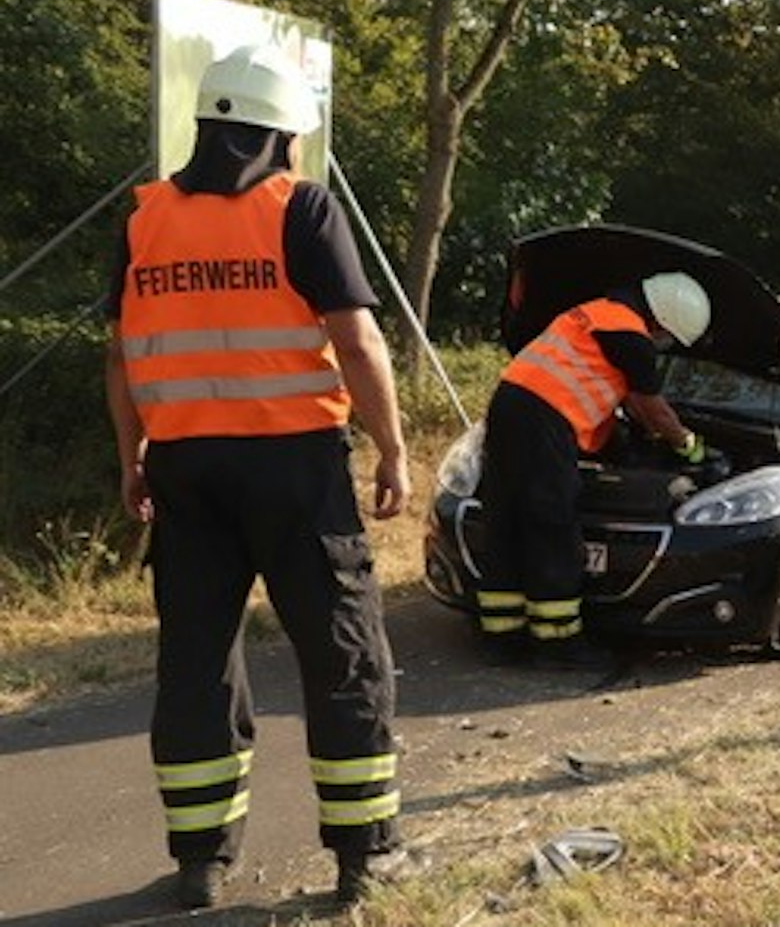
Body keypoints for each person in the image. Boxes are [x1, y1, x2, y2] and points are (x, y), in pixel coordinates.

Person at [102, 45, 408, 909]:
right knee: (342, 651)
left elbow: (121, 357)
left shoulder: (142, 219)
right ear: (277, 135)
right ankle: (367, 855)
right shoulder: (300, 208)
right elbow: (356, 341)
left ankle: (200, 860)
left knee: (195, 658)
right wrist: (392, 447)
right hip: (294, 467)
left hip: (184, 469)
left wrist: (131, 459)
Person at [475, 273, 711, 668]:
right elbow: (650, 407)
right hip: (544, 422)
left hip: (509, 405)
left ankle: (502, 636)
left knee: (507, 519)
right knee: (552, 526)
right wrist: (686, 444)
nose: (663, 343)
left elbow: (606, 394)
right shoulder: (631, 335)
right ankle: (558, 643)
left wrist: (617, 442)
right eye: (667, 336)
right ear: (662, 320)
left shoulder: (596, 313)